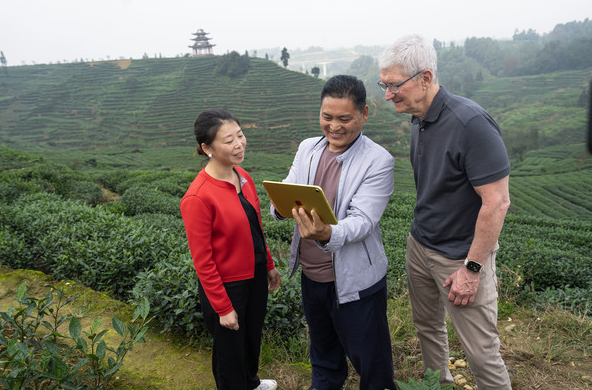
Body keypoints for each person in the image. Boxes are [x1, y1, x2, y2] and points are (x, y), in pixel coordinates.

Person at [378, 34, 512, 389]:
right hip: (420, 245)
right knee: (428, 329)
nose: (387, 95)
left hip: (460, 257)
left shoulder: (471, 124)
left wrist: (471, 268)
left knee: (481, 352)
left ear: (425, 78)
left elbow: (497, 202)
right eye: (384, 85)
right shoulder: (419, 118)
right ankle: (438, 386)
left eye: (393, 86)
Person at [271, 75, 398, 390]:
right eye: (327, 117)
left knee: (371, 361)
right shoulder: (308, 148)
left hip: (356, 283)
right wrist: (279, 205)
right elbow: (291, 185)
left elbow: (362, 221)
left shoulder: (378, 160)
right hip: (312, 276)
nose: (334, 126)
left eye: (345, 118)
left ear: (364, 114)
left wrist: (327, 233)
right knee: (324, 355)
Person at [180, 109, 281, 390]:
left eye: (240, 135)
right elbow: (203, 261)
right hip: (227, 285)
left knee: (250, 339)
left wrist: (269, 265)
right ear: (207, 148)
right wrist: (223, 307)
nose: (239, 144)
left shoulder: (242, 176)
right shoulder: (198, 197)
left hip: (255, 273)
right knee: (229, 352)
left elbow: (254, 227)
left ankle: (251, 382)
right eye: (228, 140)